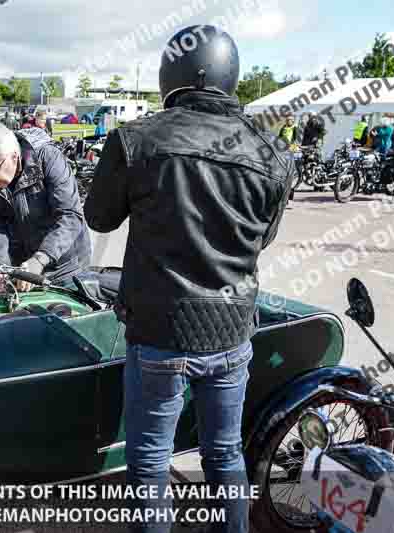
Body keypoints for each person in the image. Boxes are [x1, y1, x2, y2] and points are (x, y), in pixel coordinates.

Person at [84, 26, 292, 533]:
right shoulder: (272, 153)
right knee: (223, 452)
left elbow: (99, 217)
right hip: (233, 330)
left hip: (160, 332)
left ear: (172, 75)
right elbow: (261, 239)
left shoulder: (137, 140)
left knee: (151, 459)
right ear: (230, 74)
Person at [0, 121, 91, 292]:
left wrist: (40, 260)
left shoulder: (47, 158)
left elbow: (70, 216)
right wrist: (2, 267)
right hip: (23, 266)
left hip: (66, 265)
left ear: (14, 156)